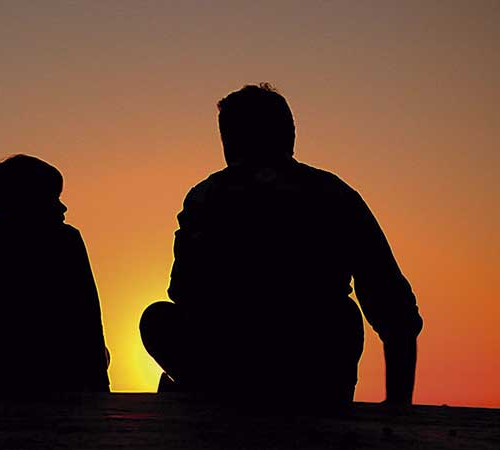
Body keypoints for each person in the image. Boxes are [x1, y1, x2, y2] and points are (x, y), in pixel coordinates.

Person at [139, 83, 423, 407]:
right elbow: (394, 308)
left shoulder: (206, 197)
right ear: (290, 135)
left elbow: (182, 290)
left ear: (229, 141)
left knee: (158, 319)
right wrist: (399, 404)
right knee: (342, 316)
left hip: (240, 370)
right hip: (312, 368)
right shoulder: (335, 194)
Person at [0, 154, 110, 391]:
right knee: (102, 354)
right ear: (28, 203)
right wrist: (99, 391)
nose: (63, 207)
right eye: (53, 198)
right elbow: (88, 321)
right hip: (52, 373)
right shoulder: (65, 241)